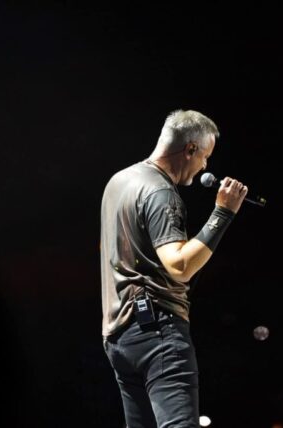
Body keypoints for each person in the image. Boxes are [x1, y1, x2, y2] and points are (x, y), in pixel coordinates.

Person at [100, 109, 248, 428]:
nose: (205, 166)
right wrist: (223, 213)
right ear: (190, 149)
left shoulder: (118, 181)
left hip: (118, 337)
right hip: (158, 331)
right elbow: (179, 266)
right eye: (205, 156)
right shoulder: (161, 191)